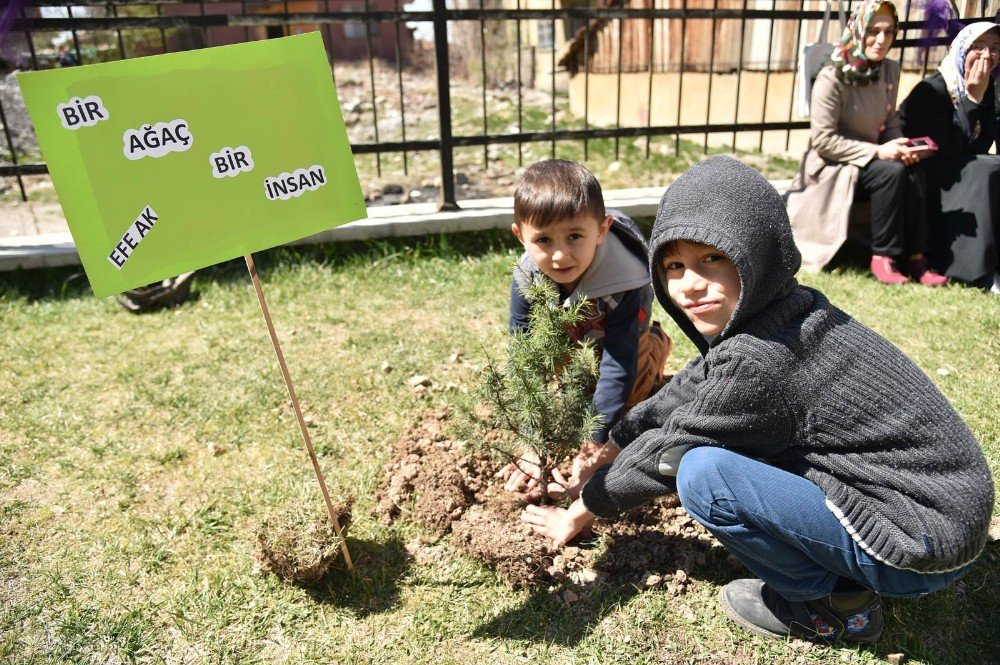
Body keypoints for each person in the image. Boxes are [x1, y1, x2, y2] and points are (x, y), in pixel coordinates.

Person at [521, 155, 993, 644]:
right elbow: (691, 384)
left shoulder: (762, 364)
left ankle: (831, 605)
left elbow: (666, 455)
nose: (690, 284)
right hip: (942, 510)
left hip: (917, 544)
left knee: (703, 474)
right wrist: (614, 442)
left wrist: (578, 511)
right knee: (736, 451)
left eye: (712, 259)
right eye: (675, 265)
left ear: (757, 253)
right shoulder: (785, 312)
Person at [498, 159, 672, 493]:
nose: (561, 256)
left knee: (630, 383)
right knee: (564, 373)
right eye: (544, 240)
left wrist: (594, 441)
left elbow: (617, 364)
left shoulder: (625, 280)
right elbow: (522, 354)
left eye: (575, 236)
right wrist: (530, 439)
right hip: (569, 323)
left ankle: (654, 346)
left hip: (620, 325)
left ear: (602, 230)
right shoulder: (527, 277)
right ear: (520, 236)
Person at [785, 0, 947, 286]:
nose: (882, 40)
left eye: (889, 32)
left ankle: (917, 257)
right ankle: (883, 256)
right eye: (874, 31)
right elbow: (824, 140)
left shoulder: (889, 71)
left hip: (873, 158)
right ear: (858, 30)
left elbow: (889, 123)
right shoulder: (832, 75)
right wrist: (879, 151)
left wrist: (901, 146)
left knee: (913, 171)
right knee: (891, 172)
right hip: (834, 166)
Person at [899, 22, 1000, 294]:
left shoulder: (987, 87)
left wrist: (979, 97)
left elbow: (981, 143)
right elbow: (953, 147)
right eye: (977, 48)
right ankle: (973, 269)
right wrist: (972, 101)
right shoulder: (930, 91)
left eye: (994, 49)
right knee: (991, 168)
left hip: (962, 169)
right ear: (961, 50)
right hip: (925, 175)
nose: (986, 56)